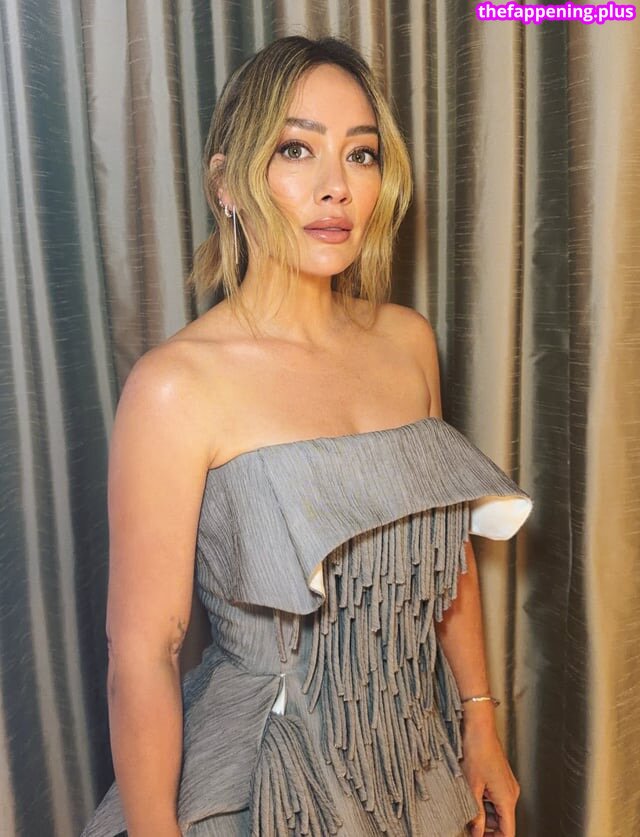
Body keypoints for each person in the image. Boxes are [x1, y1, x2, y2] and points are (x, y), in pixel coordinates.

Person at [82, 35, 533, 837]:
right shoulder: (176, 385)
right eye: (297, 149)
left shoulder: (407, 342)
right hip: (268, 781)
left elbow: (445, 557)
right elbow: (142, 654)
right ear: (227, 182)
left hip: (414, 767)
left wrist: (479, 720)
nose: (336, 187)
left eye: (361, 155)